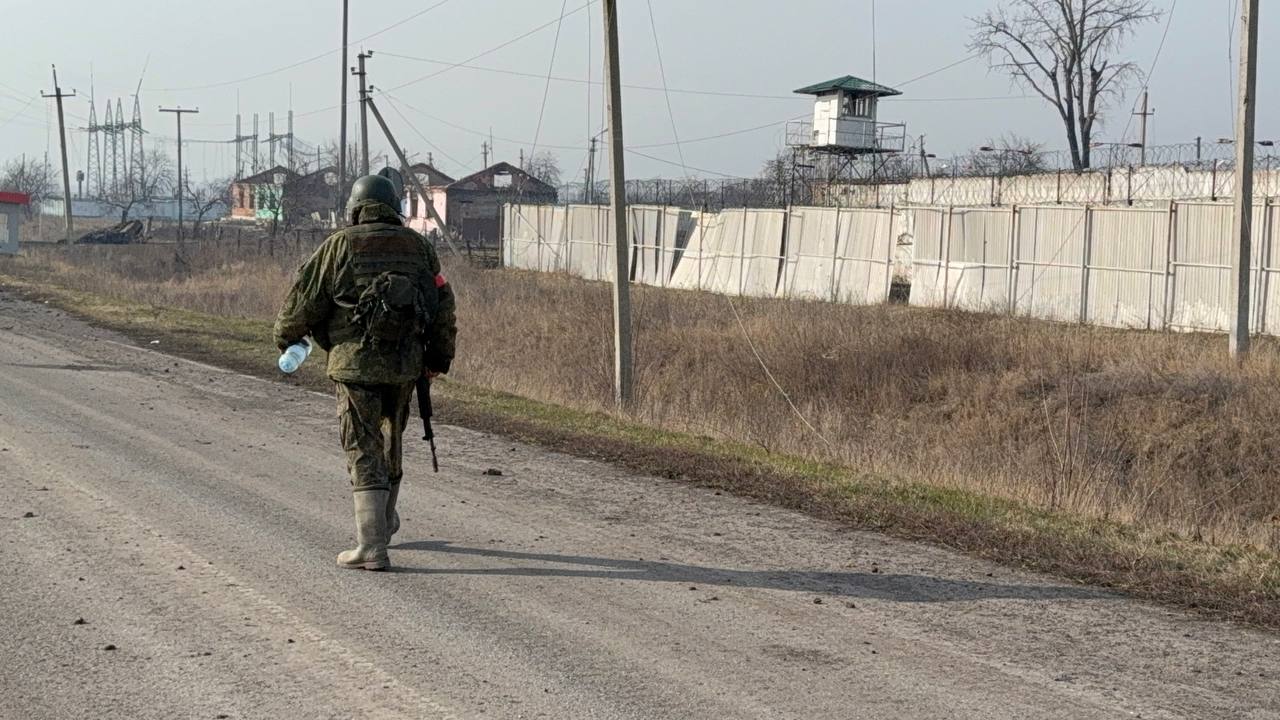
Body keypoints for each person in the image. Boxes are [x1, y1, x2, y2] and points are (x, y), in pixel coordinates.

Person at [274, 174, 456, 571]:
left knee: (362, 446)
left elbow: (304, 299)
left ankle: (371, 547)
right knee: (392, 441)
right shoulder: (419, 247)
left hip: (355, 366)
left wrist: (286, 339)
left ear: (355, 209)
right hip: (405, 366)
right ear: (394, 208)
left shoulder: (339, 245)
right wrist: (438, 359)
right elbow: (442, 302)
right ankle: (385, 522)